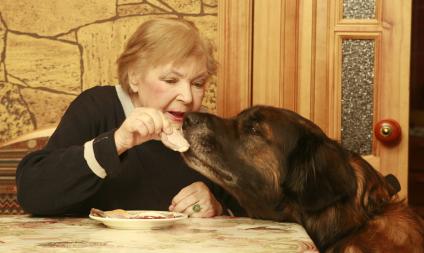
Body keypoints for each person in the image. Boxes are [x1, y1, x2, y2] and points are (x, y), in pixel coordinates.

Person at [16, 18, 245, 218]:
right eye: (171, 80)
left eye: (198, 83)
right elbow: (33, 193)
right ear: (134, 77)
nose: (187, 97)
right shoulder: (97, 107)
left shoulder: (205, 131)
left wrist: (218, 207)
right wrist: (116, 143)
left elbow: (254, 210)